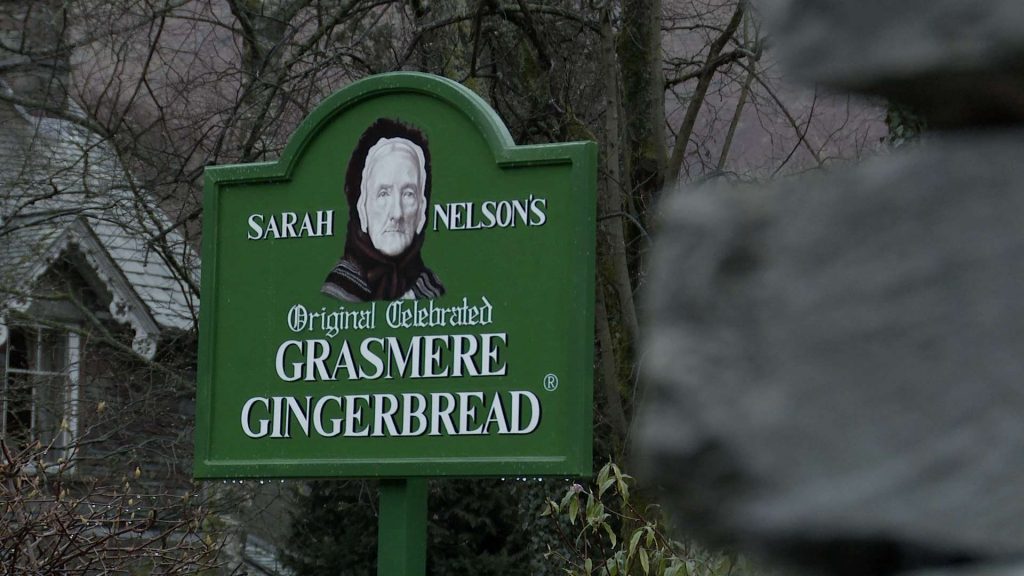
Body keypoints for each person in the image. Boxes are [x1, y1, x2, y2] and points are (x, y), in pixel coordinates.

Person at [322, 118, 446, 302]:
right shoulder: (337, 291)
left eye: (408, 194)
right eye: (383, 194)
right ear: (362, 207)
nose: (397, 213)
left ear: (422, 210)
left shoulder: (432, 290)